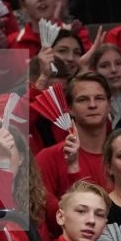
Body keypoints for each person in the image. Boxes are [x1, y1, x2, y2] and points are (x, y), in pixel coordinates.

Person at [33, 72, 112, 223]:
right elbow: (46, 215)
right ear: (70, 108)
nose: (92, 105)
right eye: (83, 99)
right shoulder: (48, 157)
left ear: (109, 106)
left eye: (99, 98)